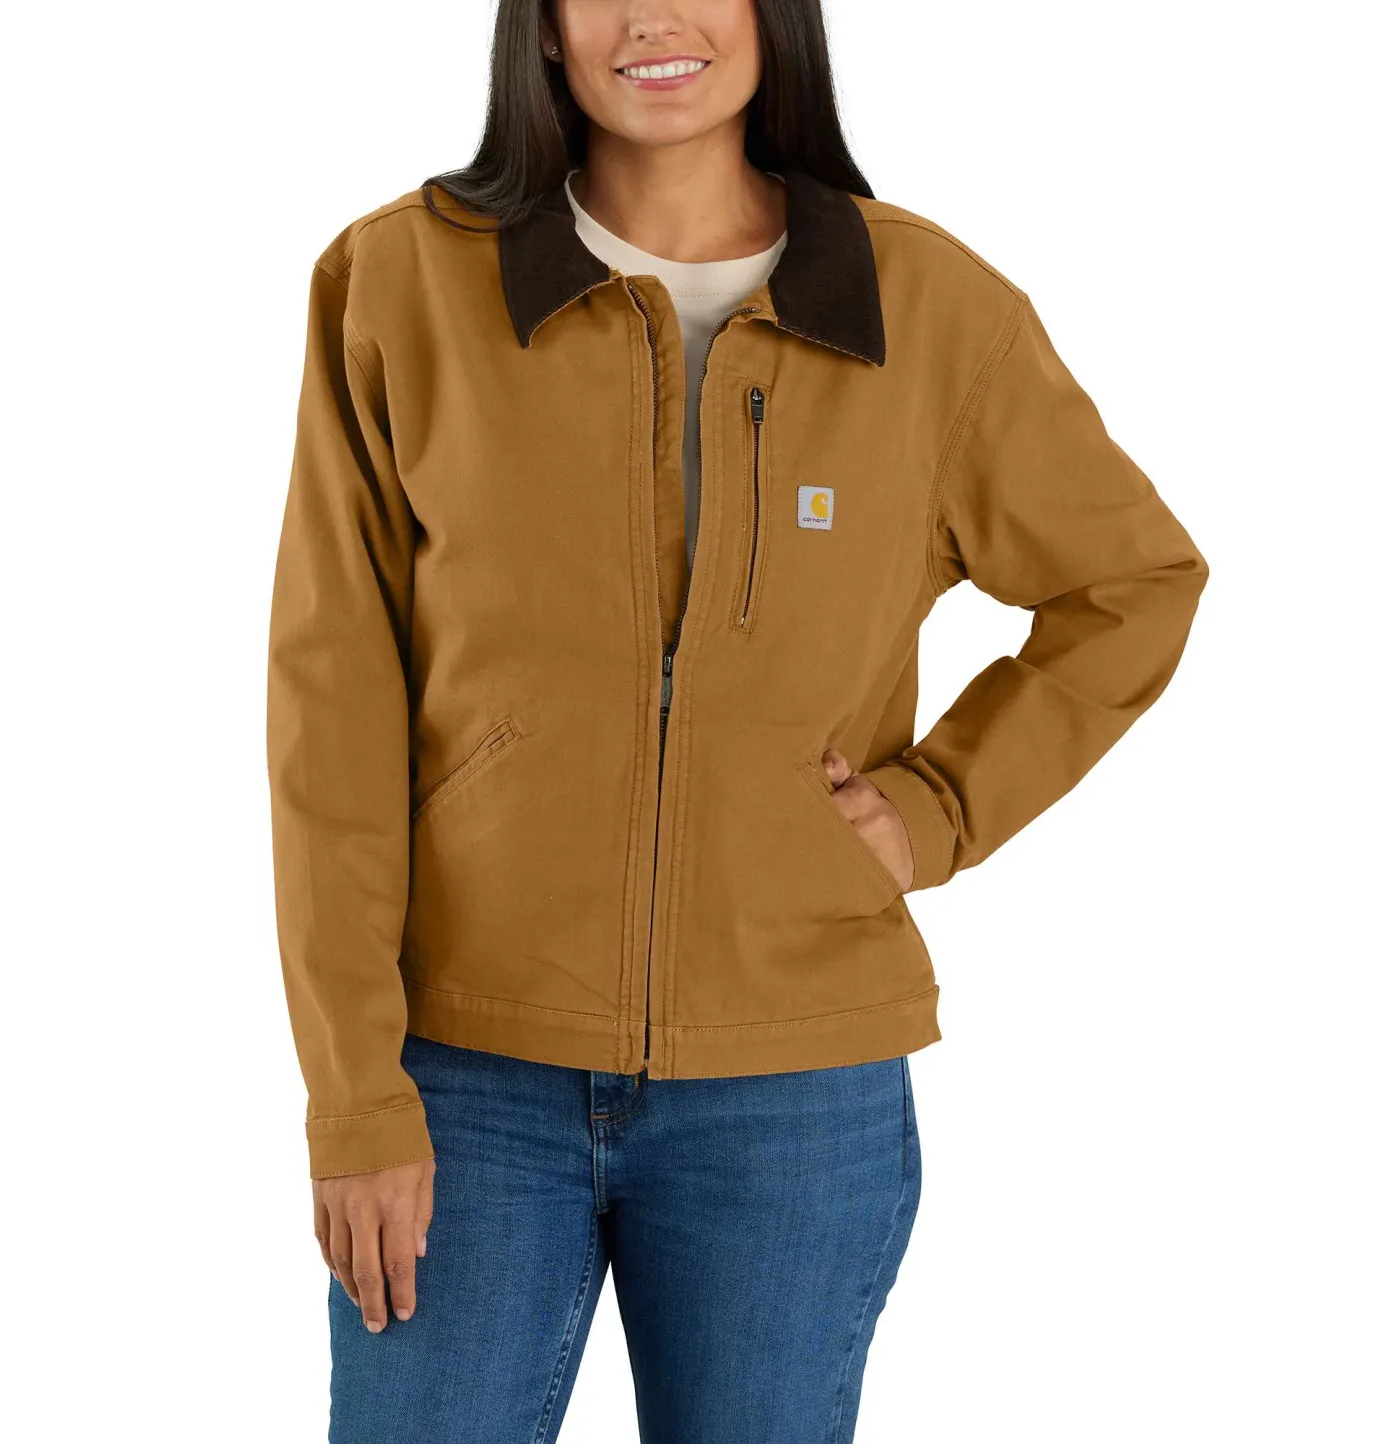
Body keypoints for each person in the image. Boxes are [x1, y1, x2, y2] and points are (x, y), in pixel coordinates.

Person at [265, 1, 1209, 1438]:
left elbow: (1133, 582)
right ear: (543, 23)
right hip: (462, 1072)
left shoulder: (928, 309)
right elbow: (332, 707)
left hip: (793, 1098)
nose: (655, 18)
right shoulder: (401, 283)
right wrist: (354, 1097)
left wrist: (940, 809)